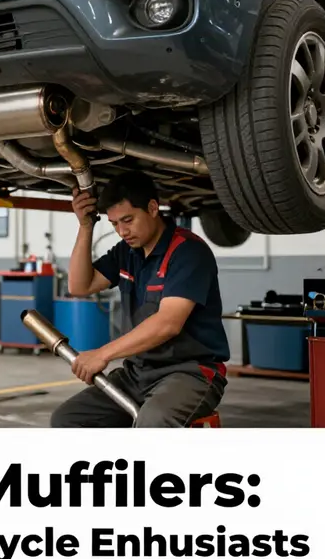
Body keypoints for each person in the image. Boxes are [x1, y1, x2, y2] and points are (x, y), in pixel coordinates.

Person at [51, 171, 230, 428]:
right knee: (68, 419)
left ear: (153, 208)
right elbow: (80, 286)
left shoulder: (187, 251)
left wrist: (103, 354)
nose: (122, 231)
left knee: (153, 423)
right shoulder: (127, 252)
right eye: (114, 224)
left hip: (189, 373)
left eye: (128, 220)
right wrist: (85, 225)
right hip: (137, 373)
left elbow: (168, 323)